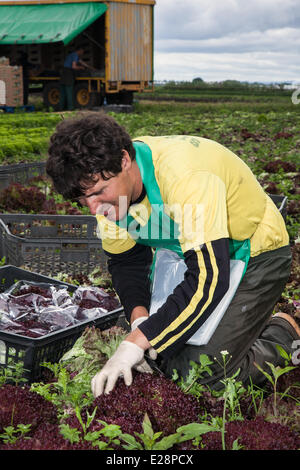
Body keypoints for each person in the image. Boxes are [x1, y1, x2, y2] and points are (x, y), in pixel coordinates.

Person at [46, 112, 300, 398]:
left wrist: (138, 341)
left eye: (100, 192)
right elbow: (127, 262)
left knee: (205, 376)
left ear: (124, 161)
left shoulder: (184, 175)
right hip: (188, 256)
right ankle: (237, 325)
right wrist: (140, 320)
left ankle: (282, 333)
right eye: (83, 200)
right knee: (163, 358)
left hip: (254, 251)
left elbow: (210, 278)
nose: (94, 209)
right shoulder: (107, 196)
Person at [59, 46, 93, 111]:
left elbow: (82, 62)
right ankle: (70, 108)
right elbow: (74, 67)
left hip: (63, 74)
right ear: (79, 50)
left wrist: (90, 67)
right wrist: (81, 68)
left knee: (63, 92)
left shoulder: (73, 55)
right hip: (68, 74)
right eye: (82, 51)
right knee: (69, 91)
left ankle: (61, 108)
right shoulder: (75, 55)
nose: (83, 53)